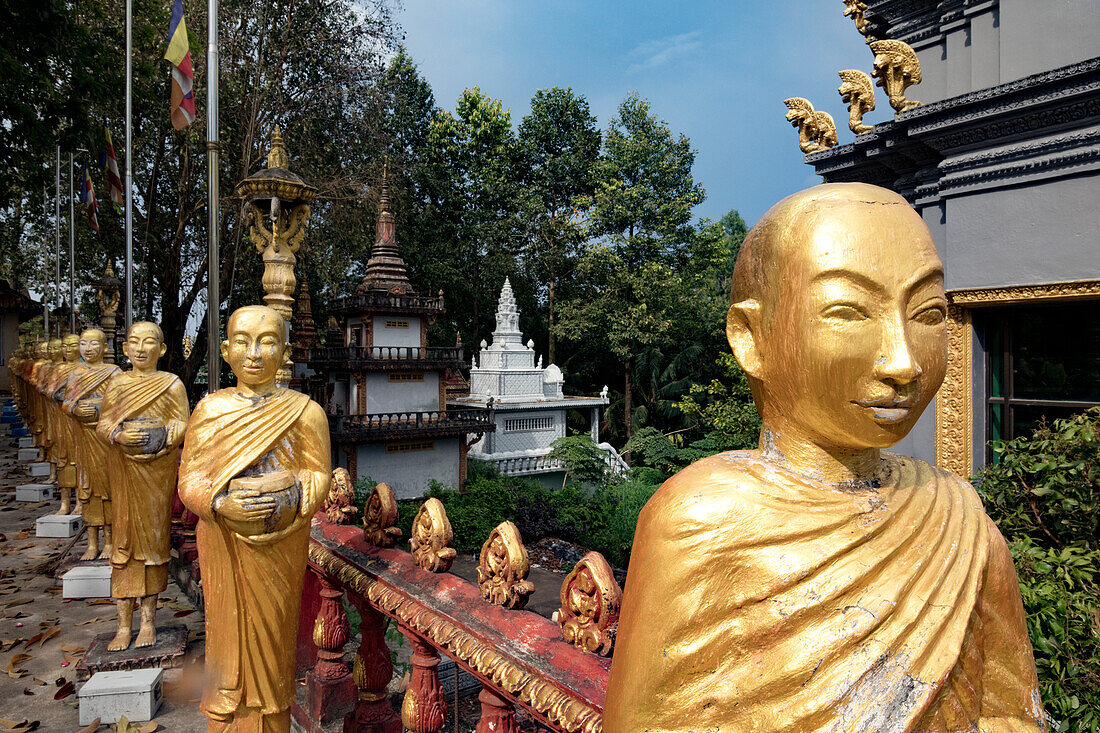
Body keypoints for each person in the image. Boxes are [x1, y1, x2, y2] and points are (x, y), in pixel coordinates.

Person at [602, 183, 1046, 732]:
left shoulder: (958, 516)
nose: (903, 362)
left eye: (928, 313)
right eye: (848, 311)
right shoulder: (701, 519)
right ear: (751, 338)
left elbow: (1010, 714)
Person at [178, 305, 331, 732]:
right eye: (243, 341)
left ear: (284, 352)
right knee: (226, 645)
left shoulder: (305, 412)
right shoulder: (211, 410)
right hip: (224, 542)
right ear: (226, 351)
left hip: (277, 548)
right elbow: (189, 479)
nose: (254, 352)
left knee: (273, 658)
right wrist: (219, 503)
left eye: (267, 341)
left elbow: (319, 477)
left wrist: (291, 494)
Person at [97, 321, 189, 651]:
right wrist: (119, 434)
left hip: (157, 470)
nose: (140, 348)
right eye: (134, 342)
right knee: (124, 544)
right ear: (125, 349)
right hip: (124, 469)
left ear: (161, 349)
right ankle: (123, 623)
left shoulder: (171, 384)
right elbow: (104, 423)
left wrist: (161, 436)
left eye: (148, 342)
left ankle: (149, 619)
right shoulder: (118, 384)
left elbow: (182, 424)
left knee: (153, 543)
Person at [63, 328, 121, 559]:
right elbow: (66, 402)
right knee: (86, 488)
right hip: (83, 437)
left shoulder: (113, 373)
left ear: (104, 347)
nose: (88, 349)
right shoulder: (75, 374)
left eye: (93, 344)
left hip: (104, 438)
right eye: (84, 344)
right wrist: (76, 408)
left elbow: (120, 404)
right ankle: (91, 543)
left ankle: (110, 540)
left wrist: (99, 408)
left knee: (107, 488)